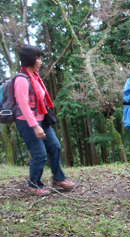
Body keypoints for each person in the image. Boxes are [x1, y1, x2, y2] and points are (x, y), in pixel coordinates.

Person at [15, 45, 75, 196]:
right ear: (30, 59)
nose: (41, 61)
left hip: (42, 120)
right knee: (39, 154)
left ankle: (58, 179)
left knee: (55, 147)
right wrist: (35, 126)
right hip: (28, 123)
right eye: (39, 58)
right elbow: (23, 105)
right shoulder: (21, 80)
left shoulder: (35, 76)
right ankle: (34, 185)